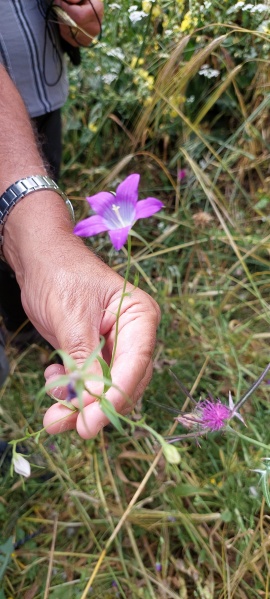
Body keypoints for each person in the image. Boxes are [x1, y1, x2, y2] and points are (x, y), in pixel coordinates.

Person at [0, 5, 161, 438]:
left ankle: (26, 327)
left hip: (42, 100)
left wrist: (84, 18)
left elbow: (84, 26)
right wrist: (43, 239)